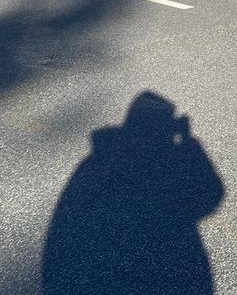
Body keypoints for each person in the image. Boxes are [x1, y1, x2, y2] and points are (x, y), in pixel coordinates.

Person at [42, 91, 224, 295]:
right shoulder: (156, 164)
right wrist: (189, 143)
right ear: (158, 129)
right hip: (154, 271)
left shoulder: (99, 160)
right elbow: (209, 194)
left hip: (102, 272)